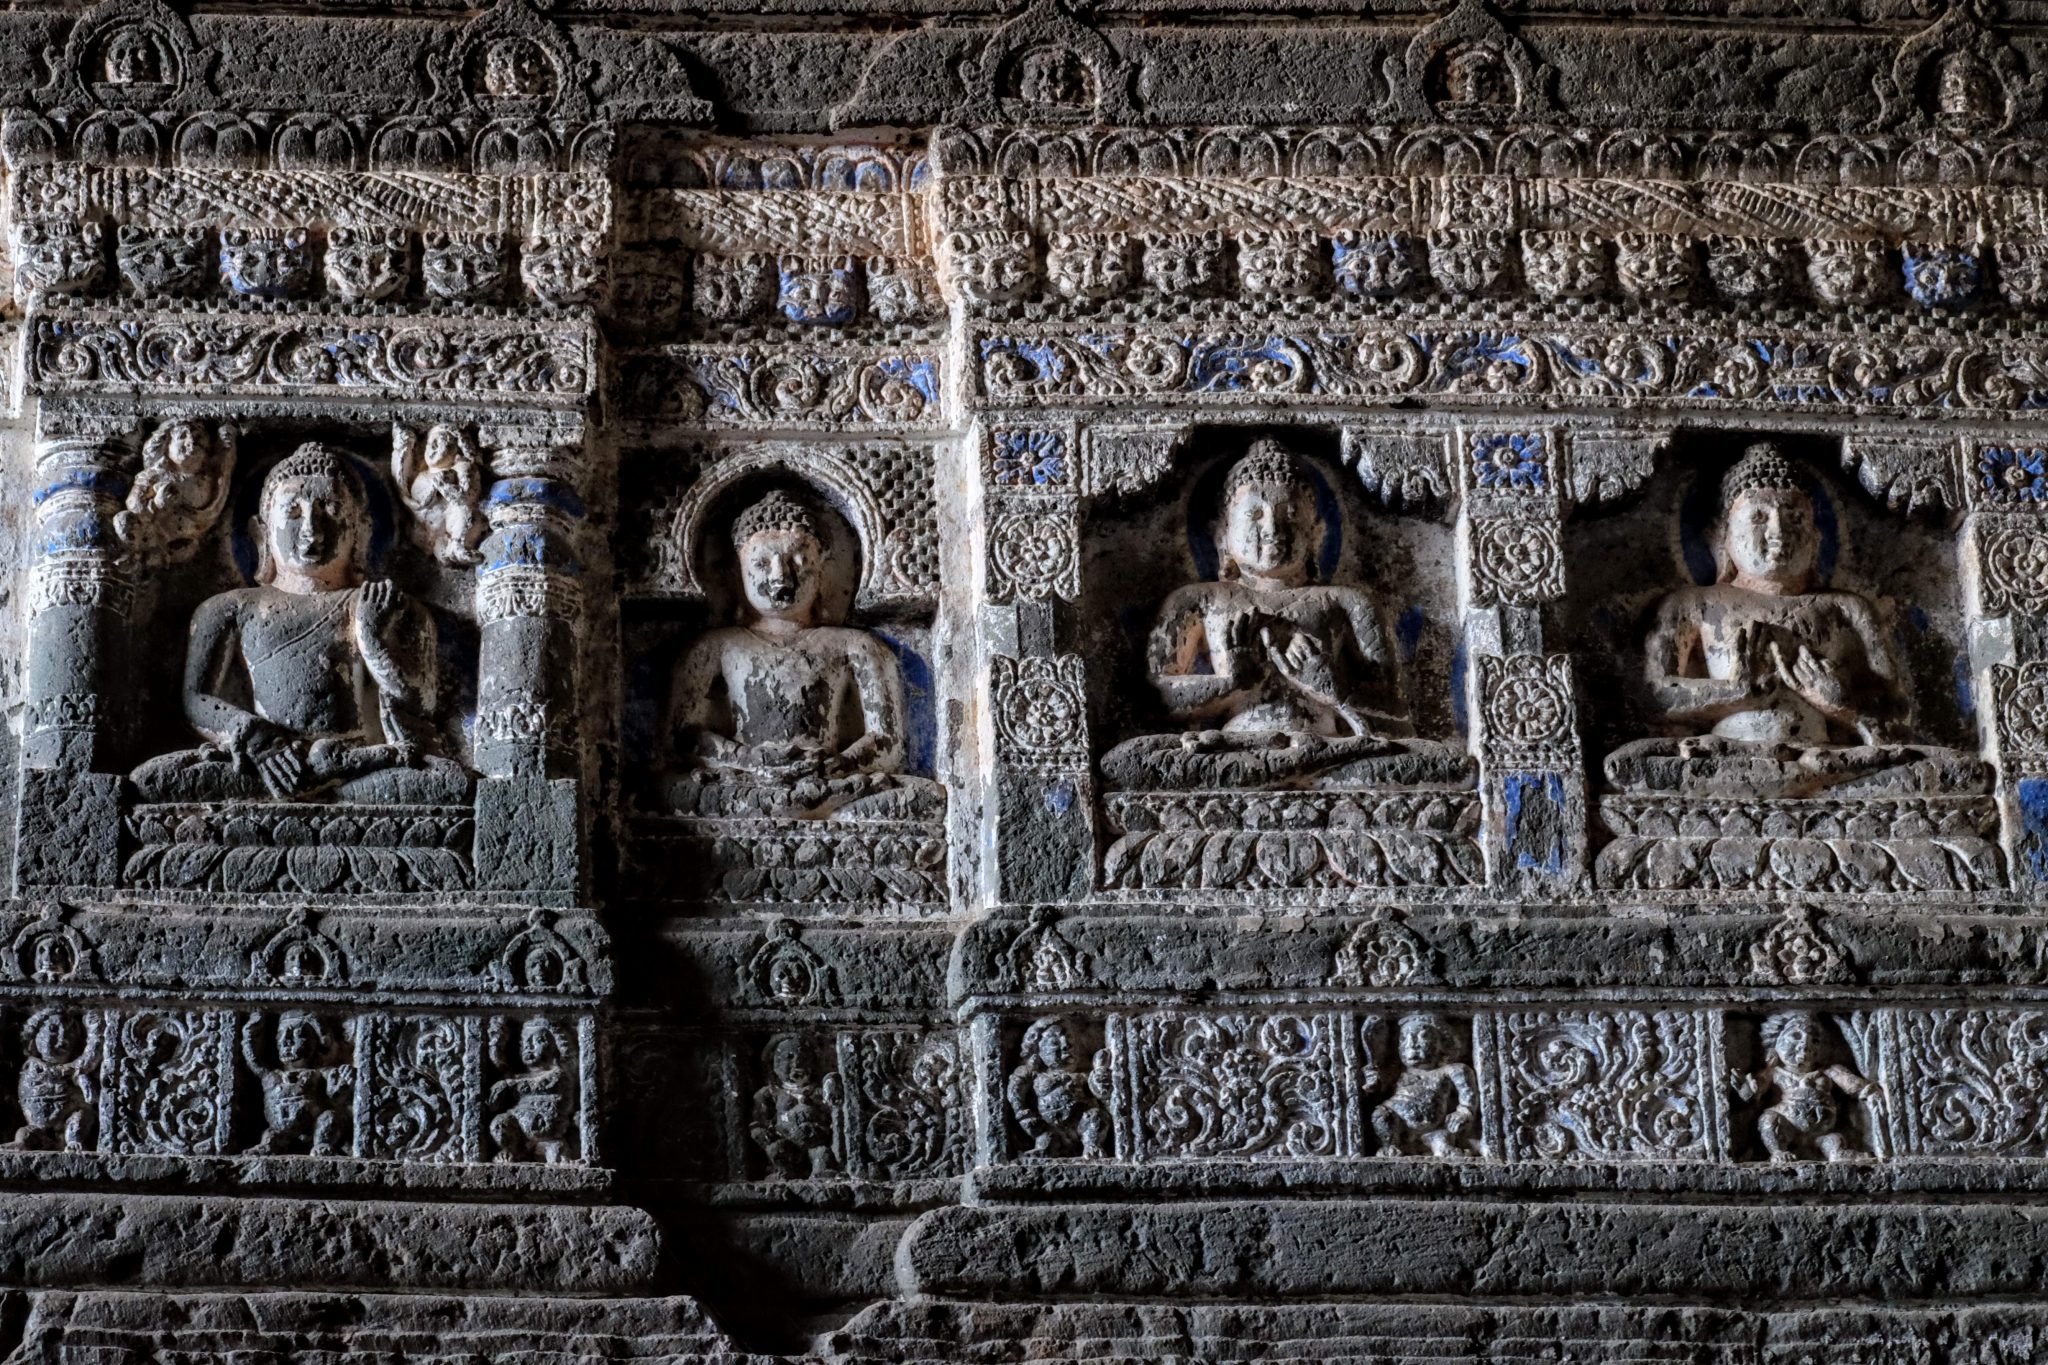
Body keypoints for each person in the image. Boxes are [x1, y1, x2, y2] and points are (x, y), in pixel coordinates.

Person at [1606, 442, 1987, 798]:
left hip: (1828, 754)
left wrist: (1840, 704)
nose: (1778, 531)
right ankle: (1804, 778)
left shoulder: (1847, 609)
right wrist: (1737, 692)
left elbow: (1896, 715)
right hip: (1728, 757)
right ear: (1721, 537)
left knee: (1959, 771)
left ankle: (1808, 774)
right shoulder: (1694, 604)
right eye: (1759, 516)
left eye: (1793, 517)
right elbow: (1653, 696)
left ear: (1817, 536)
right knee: (1626, 765)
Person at [1101, 439, 1471, 791]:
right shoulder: (1199, 600)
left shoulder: (1347, 603)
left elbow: (1396, 714)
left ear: (1317, 534)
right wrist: (1231, 682)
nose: (1273, 529)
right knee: (1128, 760)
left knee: (1439, 761)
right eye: (1256, 515)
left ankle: (1291, 773)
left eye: (1291, 515)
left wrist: (1336, 690)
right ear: (1222, 536)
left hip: (1331, 752)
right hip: (1236, 750)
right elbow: (1154, 699)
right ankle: (1289, 774)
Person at [130, 444, 471, 804]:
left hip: (352, 766)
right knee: (154, 780)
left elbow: (420, 700)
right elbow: (196, 698)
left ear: (361, 531)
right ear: (261, 533)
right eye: (293, 511)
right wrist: (251, 733)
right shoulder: (229, 608)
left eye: (331, 509)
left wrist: (372, 638)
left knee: (450, 783)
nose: (311, 528)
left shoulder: (384, 606)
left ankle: (328, 777)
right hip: (267, 763)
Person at [666, 490, 941, 819]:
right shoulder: (718, 645)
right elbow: (682, 735)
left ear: (822, 566)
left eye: (798, 560)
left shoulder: (858, 646)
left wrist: (839, 763)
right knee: (666, 791)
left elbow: (886, 741)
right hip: (746, 782)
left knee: (926, 797)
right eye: (761, 563)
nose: (781, 576)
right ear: (736, 572)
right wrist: (747, 760)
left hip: (829, 783)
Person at [1370, 1013, 1477, 1158]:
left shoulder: (1450, 1070)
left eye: (1423, 1036)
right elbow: (1375, 1090)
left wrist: (1464, 1112)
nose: (1412, 1044)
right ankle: (1391, 1145)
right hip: (1399, 1130)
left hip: (1435, 1131)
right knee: (1380, 1115)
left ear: (1442, 1044)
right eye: (1404, 1039)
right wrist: (1370, 1084)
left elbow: (1467, 1093)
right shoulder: (1396, 1073)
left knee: (1447, 1152)